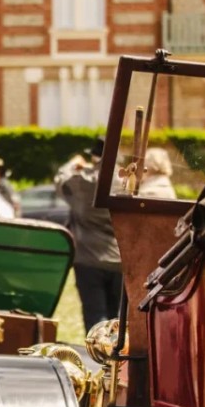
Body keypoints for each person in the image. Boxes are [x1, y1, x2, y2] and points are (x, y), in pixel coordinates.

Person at [55, 137, 125, 332]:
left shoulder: (83, 181)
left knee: (95, 314)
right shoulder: (125, 181)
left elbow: (60, 181)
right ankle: (116, 358)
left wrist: (72, 164)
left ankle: (98, 358)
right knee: (117, 317)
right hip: (119, 257)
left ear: (94, 157)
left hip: (88, 258)